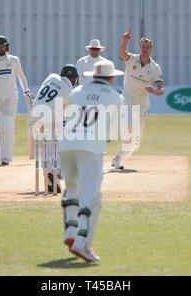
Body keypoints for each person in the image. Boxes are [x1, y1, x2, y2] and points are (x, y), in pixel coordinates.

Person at [59, 60, 124, 262]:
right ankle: (82, 244)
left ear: (94, 76)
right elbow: (114, 133)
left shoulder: (77, 91)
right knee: (92, 198)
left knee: (71, 189)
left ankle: (70, 232)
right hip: (90, 149)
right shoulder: (116, 97)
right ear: (111, 78)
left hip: (65, 145)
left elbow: (68, 116)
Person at [112, 28, 165, 170]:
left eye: (148, 47)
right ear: (139, 47)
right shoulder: (132, 59)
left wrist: (154, 90)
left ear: (151, 49)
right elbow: (122, 53)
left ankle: (118, 159)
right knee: (129, 124)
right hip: (128, 96)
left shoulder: (155, 68)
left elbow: (161, 89)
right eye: (143, 47)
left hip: (142, 102)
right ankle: (112, 129)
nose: (145, 49)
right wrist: (124, 41)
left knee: (136, 137)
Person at [0, 35, 34, 165]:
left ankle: (6, 157)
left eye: (3, 46)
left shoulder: (14, 60)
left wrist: (26, 90)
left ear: (7, 46)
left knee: (7, 123)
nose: (2, 48)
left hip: (11, 97)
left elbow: (21, 76)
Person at [29, 64, 78, 193]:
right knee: (58, 148)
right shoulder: (70, 93)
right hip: (49, 118)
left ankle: (51, 180)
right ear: (74, 78)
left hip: (33, 117)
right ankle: (55, 172)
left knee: (45, 149)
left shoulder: (51, 77)